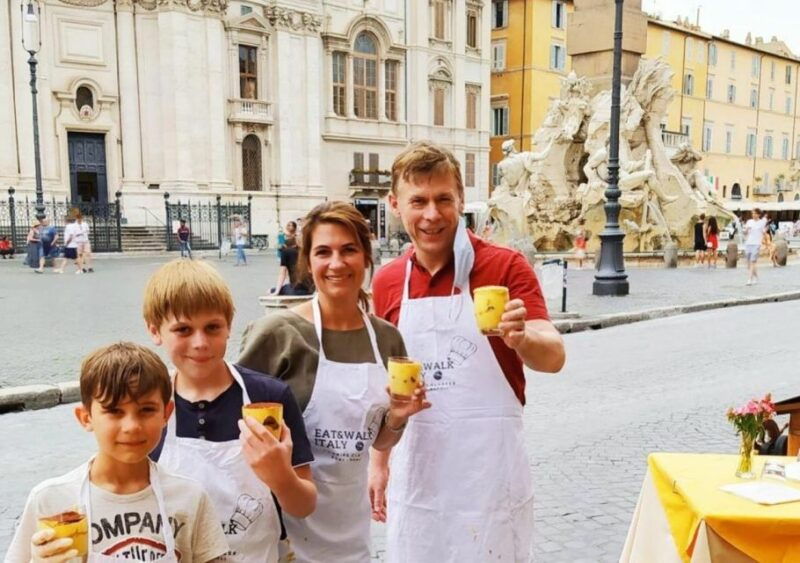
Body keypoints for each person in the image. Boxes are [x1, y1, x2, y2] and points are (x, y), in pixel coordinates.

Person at [369, 141, 565, 562]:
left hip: (489, 478)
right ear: (395, 204)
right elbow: (386, 388)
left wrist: (521, 338)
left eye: (443, 199)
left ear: (460, 198)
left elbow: (554, 356)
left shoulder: (505, 266)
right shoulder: (387, 282)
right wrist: (379, 460)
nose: (432, 214)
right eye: (417, 201)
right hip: (419, 478)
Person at [238, 201, 430, 562]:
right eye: (323, 252)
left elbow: (378, 439)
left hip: (351, 532)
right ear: (307, 262)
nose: (337, 263)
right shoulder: (277, 334)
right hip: (281, 536)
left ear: (366, 257)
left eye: (349, 250)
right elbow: (233, 432)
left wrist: (399, 417)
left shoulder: (388, 340)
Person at [144, 259, 317, 562]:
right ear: (156, 331)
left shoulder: (269, 399)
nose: (200, 343)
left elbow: (304, 505)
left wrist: (280, 476)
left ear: (229, 326)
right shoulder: (147, 407)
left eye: (212, 327)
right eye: (183, 329)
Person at [6, 342, 229, 562]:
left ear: (167, 414)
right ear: (86, 417)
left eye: (146, 410)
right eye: (114, 411)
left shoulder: (190, 497)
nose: (131, 426)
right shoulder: (50, 500)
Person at [744, 208, 767, 285]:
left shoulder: (762, 222)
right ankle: (756, 277)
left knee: (753, 262)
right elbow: (745, 233)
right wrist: (746, 230)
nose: (753, 215)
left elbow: (764, 233)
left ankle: (749, 279)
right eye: (752, 213)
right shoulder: (749, 222)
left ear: (758, 214)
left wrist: (765, 243)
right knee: (748, 264)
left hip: (756, 244)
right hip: (748, 243)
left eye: (755, 213)